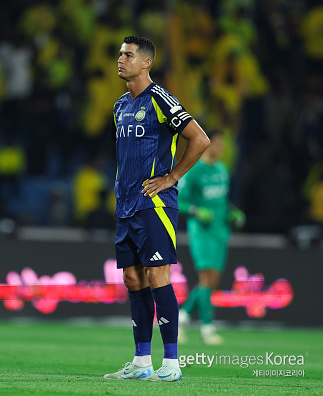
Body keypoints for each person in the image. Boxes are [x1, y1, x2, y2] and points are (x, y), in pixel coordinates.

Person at [103, 36, 210, 382]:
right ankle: (140, 361)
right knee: (132, 278)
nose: (121, 59)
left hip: (155, 203)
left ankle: (172, 363)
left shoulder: (160, 99)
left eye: (128, 55)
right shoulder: (120, 105)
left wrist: (172, 176)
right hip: (127, 204)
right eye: (120, 54)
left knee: (157, 276)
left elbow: (200, 139)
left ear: (146, 62)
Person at [177, 130, 246, 345]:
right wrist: (197, 211)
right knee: (206, 279)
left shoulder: (222, 170)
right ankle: (207, 329)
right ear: (207, 144)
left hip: (219, 231)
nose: (222, 148)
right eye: (218, 143)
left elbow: (222, 201)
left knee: (210, 282)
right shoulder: (193, 171)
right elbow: (178, 201)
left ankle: (179, 321)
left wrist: (231, 211)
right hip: (201, 232)